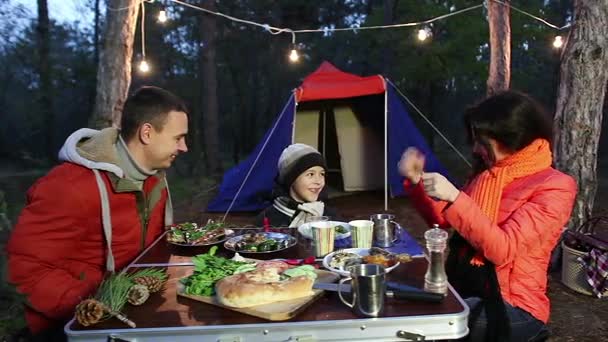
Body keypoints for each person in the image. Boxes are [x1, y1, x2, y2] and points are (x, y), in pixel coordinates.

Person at [6, 86, 189, 339]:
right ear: (147, 133)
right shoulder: (69, 187)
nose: (184, 147)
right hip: (75, 325)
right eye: (178, 138)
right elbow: (25, 271)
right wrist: (94, 304)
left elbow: (149, 243)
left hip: (135, 311)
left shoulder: (152, 179)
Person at [398, 91, 576, 342]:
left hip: (511, 304)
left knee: (428, 324)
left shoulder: (555, 186)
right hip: (467, 285)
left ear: (513, 138)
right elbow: (444, 220)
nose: (476, 149)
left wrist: (456, 198)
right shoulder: (488, 175)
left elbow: (503, 249)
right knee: (402, 302)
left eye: (483, 142)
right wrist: (417, 182)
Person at [255, 143, 337, 227]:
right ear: (291, 179)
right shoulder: (267, 220)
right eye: (310, 174)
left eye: (322, 174)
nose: (318, 181)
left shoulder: (331, 218)